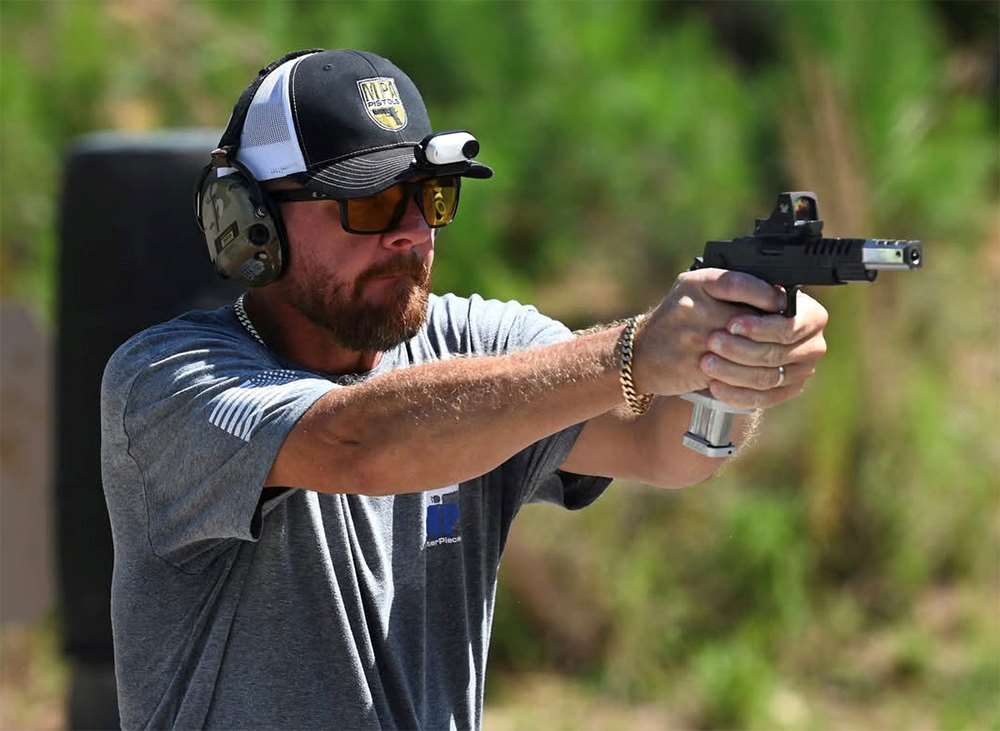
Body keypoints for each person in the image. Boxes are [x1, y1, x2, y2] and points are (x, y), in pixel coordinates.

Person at [100, 49, 829, 729]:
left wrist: (732, 368)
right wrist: (634, 350)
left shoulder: (479, 345)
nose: (411, 232)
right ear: (250, 220)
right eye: (371, 203)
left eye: (429, 196)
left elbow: (663, 447)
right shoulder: (166, 384)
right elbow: (360, 442)